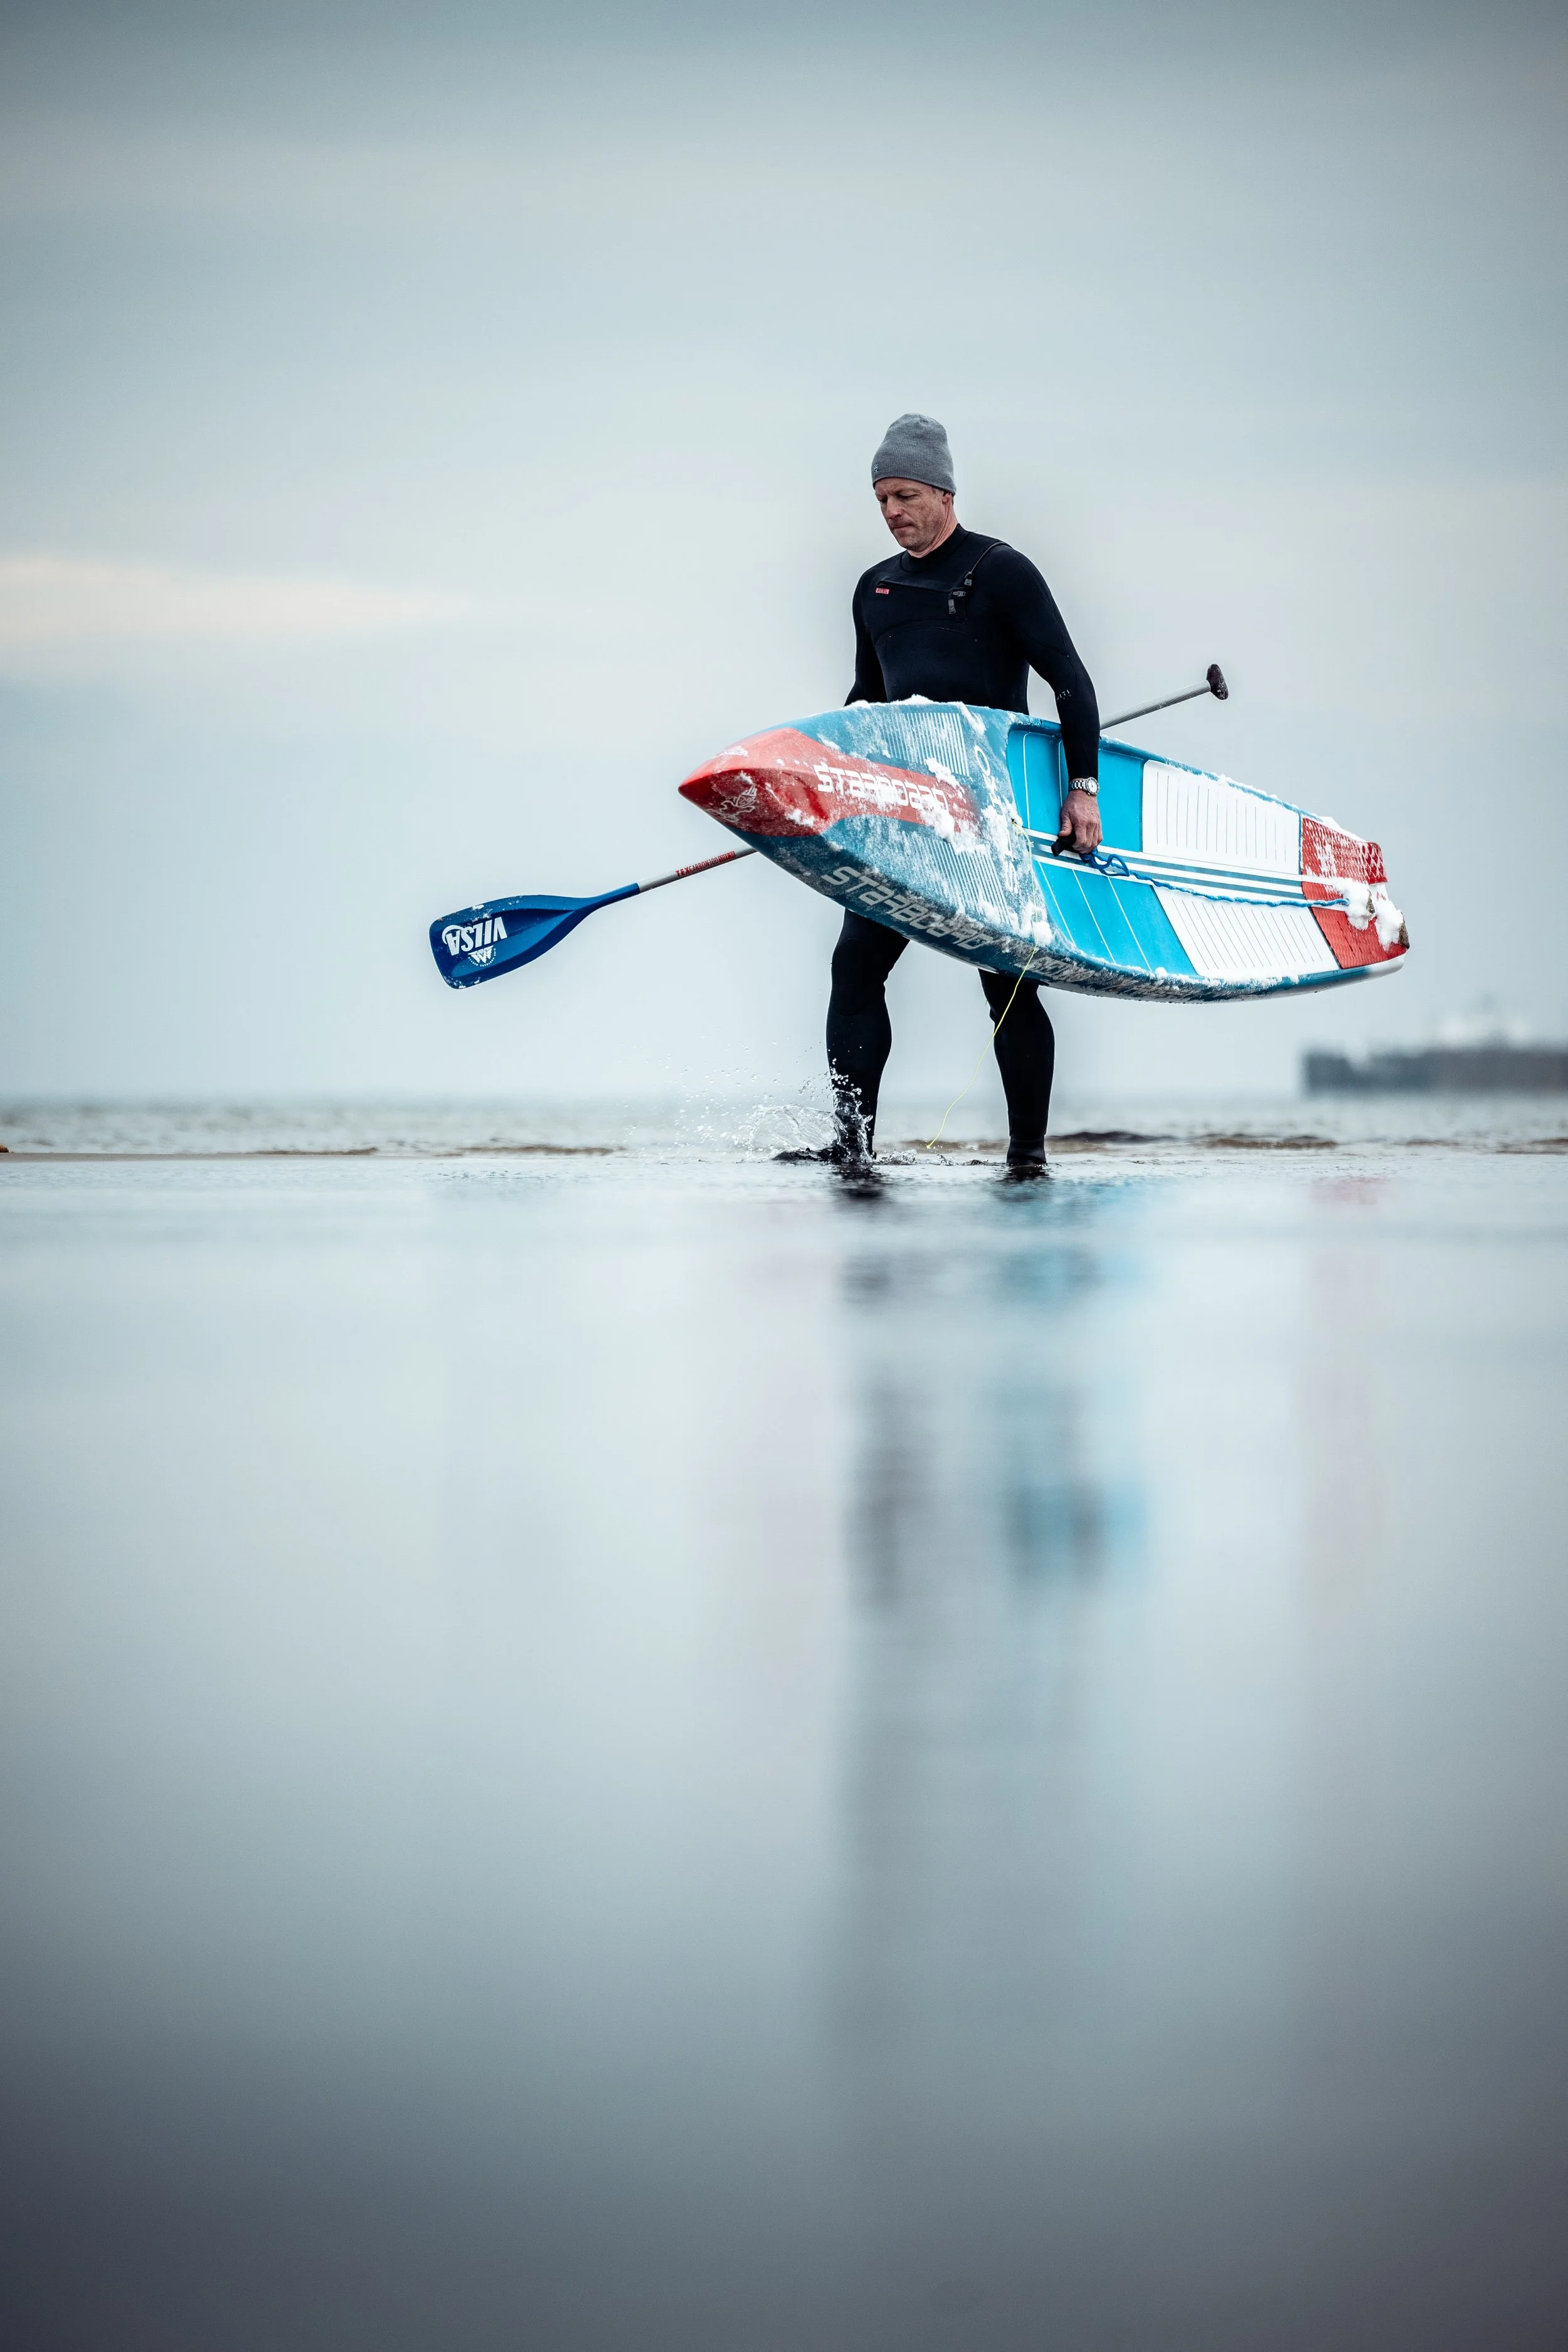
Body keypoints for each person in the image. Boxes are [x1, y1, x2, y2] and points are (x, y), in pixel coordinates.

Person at [826, 413, 1101, 1172]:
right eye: (881, 499)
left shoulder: (1000, 570)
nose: (892, 512)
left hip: (989, 812)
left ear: (944, 491)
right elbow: (865, 701)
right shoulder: (873, 589)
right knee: (855, 970)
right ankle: (852, 1147)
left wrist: (1083, 791)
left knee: (1007, 985)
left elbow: (1071, 682)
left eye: (906, 494)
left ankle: (1027, 1156)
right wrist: (830, 788)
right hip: (908, 812)